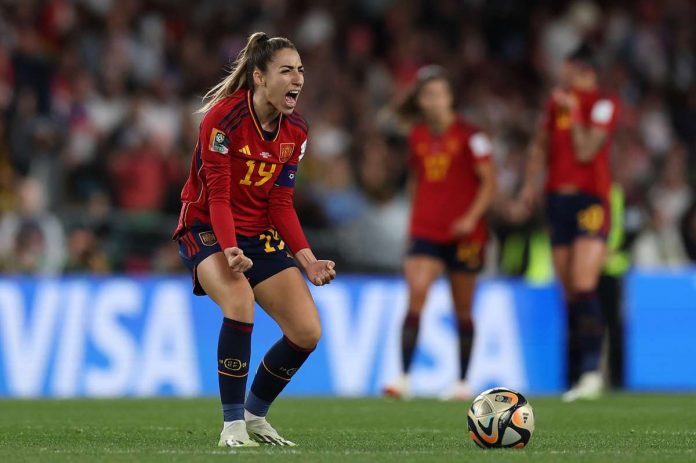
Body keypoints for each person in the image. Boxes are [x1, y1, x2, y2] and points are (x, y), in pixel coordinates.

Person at [172, 32, 336, 447]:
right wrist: (228, 249)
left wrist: (308, 260)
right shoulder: (222, 120)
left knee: (306, 332)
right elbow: (220, 196)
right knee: (240, 302)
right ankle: (232, 426)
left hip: (257, 235)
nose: (297, 78)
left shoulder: (296, 129)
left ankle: (255, 416)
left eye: (300, 69)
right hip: (207, 228)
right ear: (259, 77)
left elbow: (281, 203)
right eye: (287, 70)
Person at [383, 65, 497, 400]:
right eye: (429, 95)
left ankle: (462, 382)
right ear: (420, 100)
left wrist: (470, 218)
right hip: (427, 230)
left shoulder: (470, 136)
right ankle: (403, 378)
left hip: (465, 234)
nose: (435, 101)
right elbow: (418, 181)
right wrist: (413, 223)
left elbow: (490, 184)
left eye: (440, 94)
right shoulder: (417, 136)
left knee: (463, 309)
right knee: (415, 294)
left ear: (450, 98)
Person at [520, 43, 620, 402]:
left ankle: (593, 370)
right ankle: (580, 370)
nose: (562, 77)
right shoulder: (555, 105)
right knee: (569, 294)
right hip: (557, 201)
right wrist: (531, 185)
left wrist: (575, 112)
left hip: (590, 200)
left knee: (583, 282)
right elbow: (540, 145)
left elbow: (586, 150)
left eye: (568, 70)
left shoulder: (602, 105)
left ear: (585, 72)